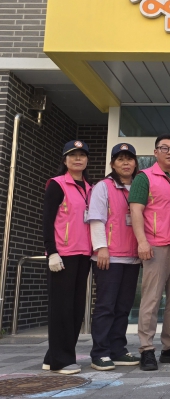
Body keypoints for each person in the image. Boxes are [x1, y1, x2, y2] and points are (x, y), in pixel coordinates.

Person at [128, 134, 170, 371]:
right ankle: (146, 348)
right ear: (155, 152)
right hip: (155, 246)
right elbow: (136, 211)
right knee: (152, 298)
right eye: (164, 148)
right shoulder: (144, 177)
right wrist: (142, 242)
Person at [88, 143, 141, 371]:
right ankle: (99, 352)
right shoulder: (104, 186)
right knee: (106, 306)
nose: (126, 163)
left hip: (132, 257)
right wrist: (101, 247)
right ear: (112, 164)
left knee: (123, 307)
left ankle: (117, 349)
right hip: (108, 257)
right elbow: (96, 218)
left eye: (129, 159)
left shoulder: (139, 186)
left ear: (135, 163)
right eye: (120, 159)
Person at [42, 140, 93, 375]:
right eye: (73, 155)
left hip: (83, 254)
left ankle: (53, 356)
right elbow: (47, 221)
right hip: (62, 255)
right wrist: (51, 251)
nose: (78, 159)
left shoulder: (90, 188)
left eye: (82, 155)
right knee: (61, 308)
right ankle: (61, 361)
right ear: (65, 160)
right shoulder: (57, 184)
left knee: (75, 308)